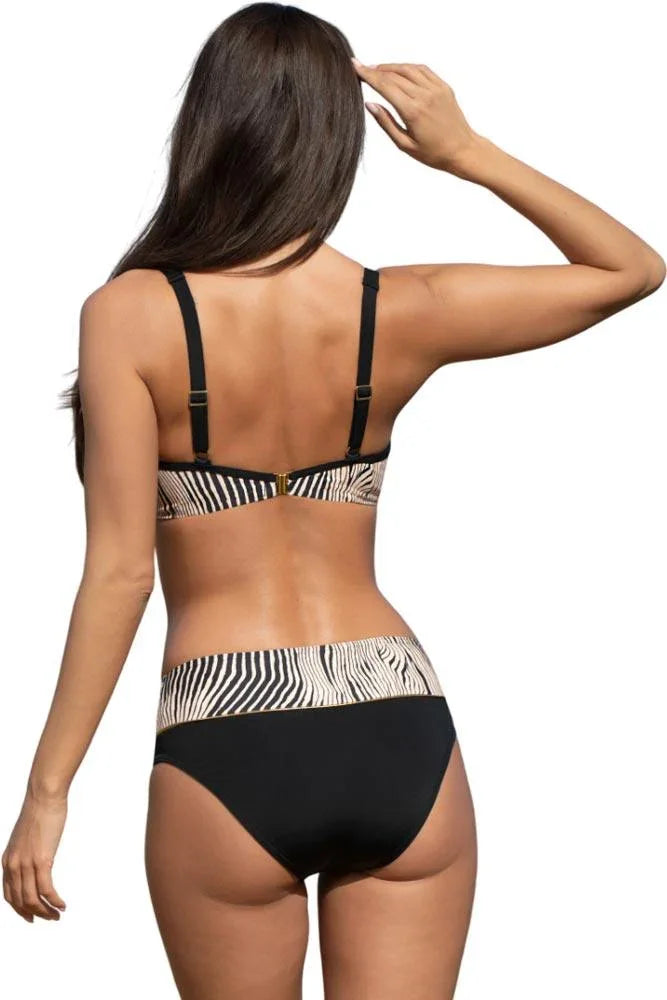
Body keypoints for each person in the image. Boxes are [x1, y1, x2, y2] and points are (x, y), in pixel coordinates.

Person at [2, 4, 663, 998]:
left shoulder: (130, 315)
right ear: (336, 140)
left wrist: (47, 793)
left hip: (229, 725)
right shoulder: (395, 308)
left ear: (209, 123)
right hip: (397, 719)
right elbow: (630, 269)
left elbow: (123, 573)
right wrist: (467, 153)